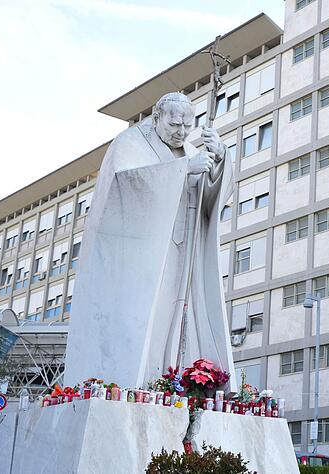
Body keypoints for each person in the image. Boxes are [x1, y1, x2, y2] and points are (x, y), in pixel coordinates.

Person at [64, 92, 236, 391]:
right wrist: (184, 170)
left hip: (182, 256)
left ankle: (169, 385)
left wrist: (219, 160)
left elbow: (210, 200)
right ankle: (136, 385)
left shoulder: (191, 150)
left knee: (176, 326)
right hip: (142, 259)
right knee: (144, 325)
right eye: (174, 125)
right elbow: (125, 185)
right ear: (156, 118)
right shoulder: (129, 143)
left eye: (187, 126)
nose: (181, 132)